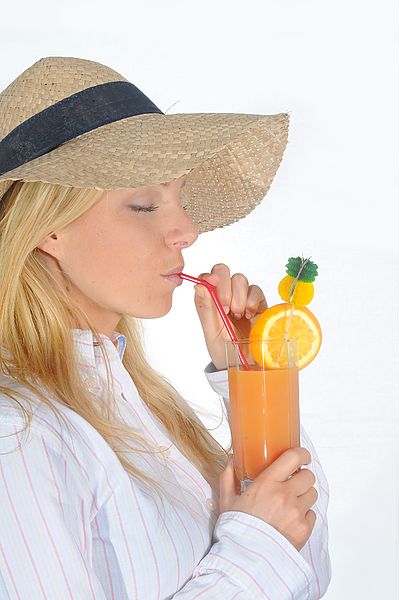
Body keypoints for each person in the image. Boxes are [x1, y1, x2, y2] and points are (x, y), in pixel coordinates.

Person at [0, 56, 331, 598]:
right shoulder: (16, 435)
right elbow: (268, 557)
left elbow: (304, 573)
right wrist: (254, 549)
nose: (186, 230)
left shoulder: (145, 411)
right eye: (144, 204)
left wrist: (251, 380)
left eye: (178, 199)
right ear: (48, 228)